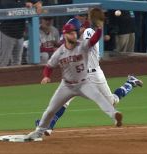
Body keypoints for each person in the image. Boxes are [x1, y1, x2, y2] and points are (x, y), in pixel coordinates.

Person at [35, 14, 143, 136]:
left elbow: (89, 40)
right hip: (76, 74)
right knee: (64, 101)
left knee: (112, 101)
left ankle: (130, 83)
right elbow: (64, 43)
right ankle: (49, 126)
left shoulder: (88, 32)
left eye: (74, 30)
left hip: (94, 74)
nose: (73, 32)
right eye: (70, 31)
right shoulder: (73, 38)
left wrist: (99, 27)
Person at [25, 8, 123, 140]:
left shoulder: (82, 45)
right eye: (72, 33)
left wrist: (99, 28)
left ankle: (115, 115)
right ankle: (40, 131)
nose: (75, 35)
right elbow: (49, 66)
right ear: (65, 34)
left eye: (75, 32)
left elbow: (93, 40)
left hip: (84, 83)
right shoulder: (60, 51)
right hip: (66, 86)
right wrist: (46, 76)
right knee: (50, 109)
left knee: (102, 100)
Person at [0, 0, 42, 66]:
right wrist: (25, 4)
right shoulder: (7, 1)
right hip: (6, 33)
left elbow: (36, 2)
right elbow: (8, 4)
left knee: (17, 62)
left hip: (19, 34)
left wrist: (39, 4)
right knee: (3, 61)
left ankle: (14, 76)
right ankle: (0, 76)